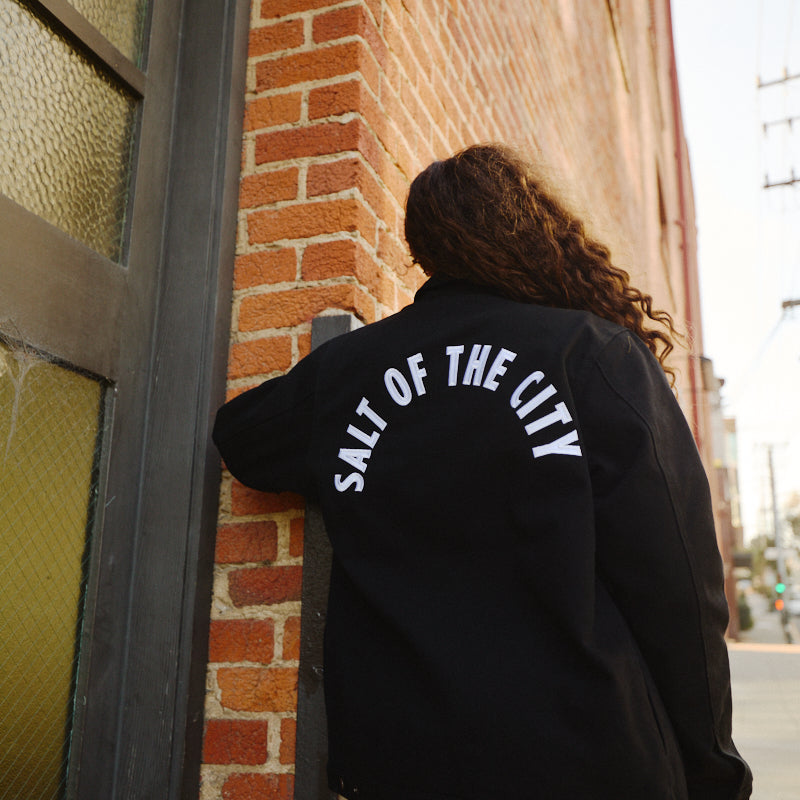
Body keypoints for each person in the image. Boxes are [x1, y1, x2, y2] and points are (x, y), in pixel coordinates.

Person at [213, 144, 752, 799]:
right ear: (527, 227)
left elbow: (242, 437)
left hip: (400, 763)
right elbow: (678, 588)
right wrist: (712, 765)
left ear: (422, 250)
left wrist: (363, 393)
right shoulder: (592, 354)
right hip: (585, 759)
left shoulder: (352, 372)